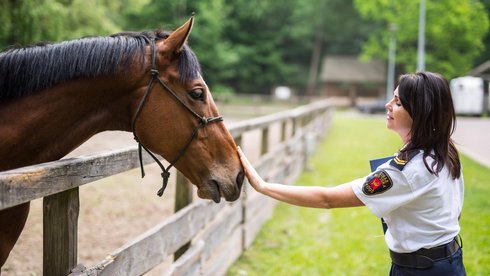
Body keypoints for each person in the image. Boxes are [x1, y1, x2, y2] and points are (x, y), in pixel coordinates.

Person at [237, 71, 465, 275]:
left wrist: (263, 186)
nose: (387, 105)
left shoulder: (406, 171)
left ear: (420, 112)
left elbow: (327, 199)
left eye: (397, 102)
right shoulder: (444, 150)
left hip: (423, 269)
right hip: (447, 260)